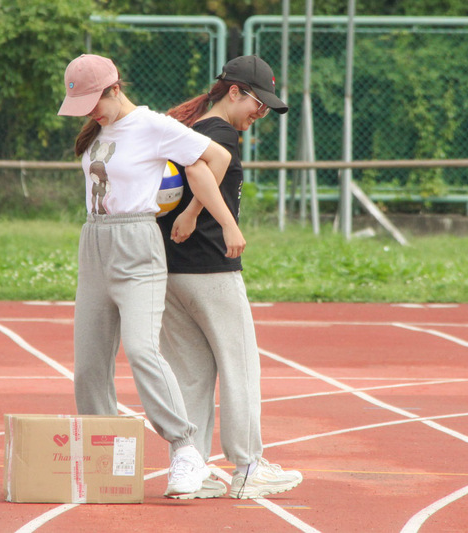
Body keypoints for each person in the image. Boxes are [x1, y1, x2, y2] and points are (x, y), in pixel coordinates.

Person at [57, 53, 246, 499]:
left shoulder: (153, 126)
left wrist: (206, 217)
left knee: (142, 349)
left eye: (93, 102)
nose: (89, 113)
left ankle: (185, 449)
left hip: (137, 245)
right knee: (89, 365)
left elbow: (215, 159)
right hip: (94, 243)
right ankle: (102, 457)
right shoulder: (99, 130)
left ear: (115, 89)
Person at [158, 55, 303, 499]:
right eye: (259, 104)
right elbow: (201, 172)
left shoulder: (186, 129)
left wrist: (187, 216)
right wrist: (217, 220)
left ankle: (191, 469)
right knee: (239, 367)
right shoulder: (219, 133)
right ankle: (248, 466)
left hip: (171, 271)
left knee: (190, 376)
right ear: (234, 92)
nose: (260, 114)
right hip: (211, 268)